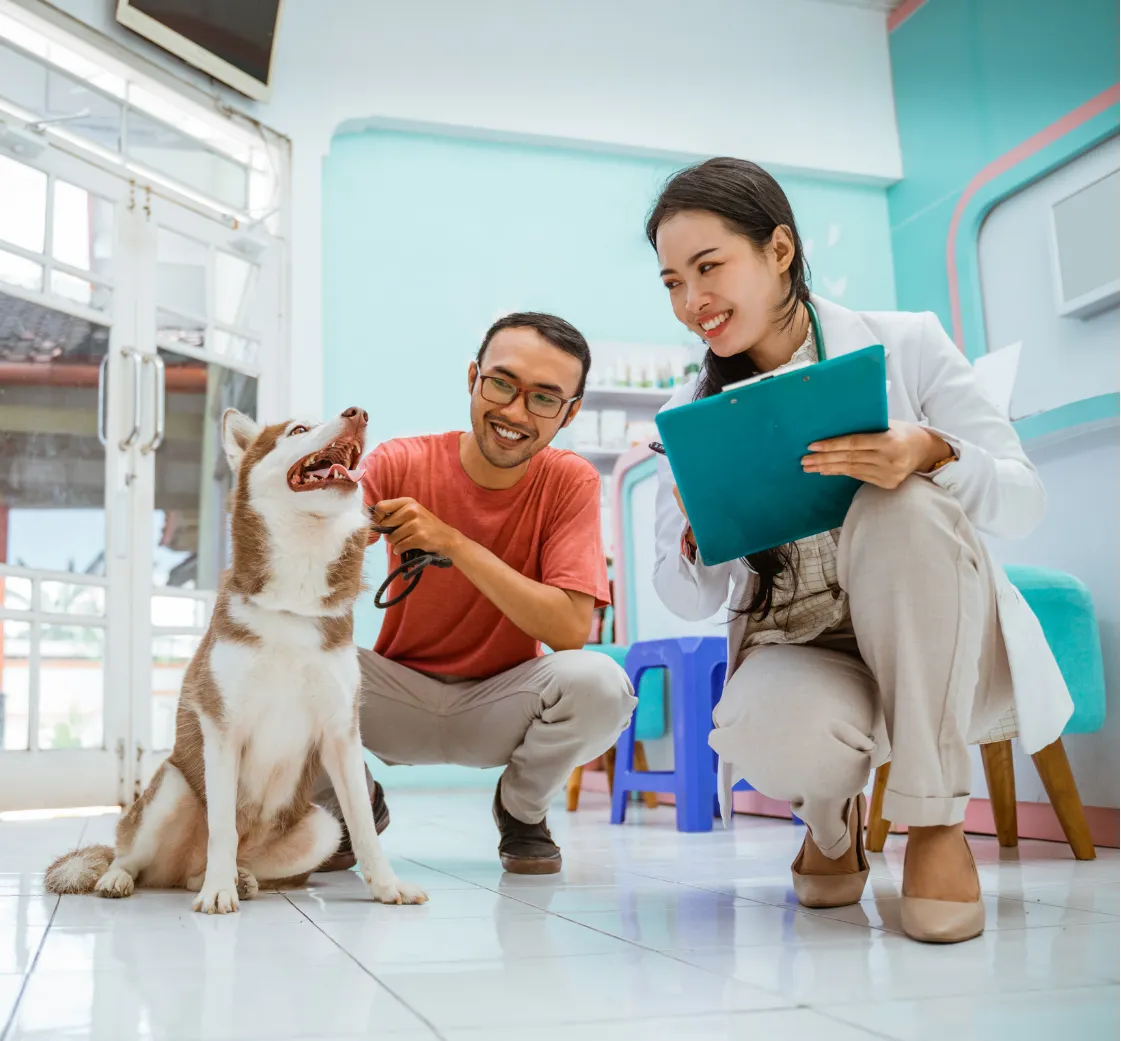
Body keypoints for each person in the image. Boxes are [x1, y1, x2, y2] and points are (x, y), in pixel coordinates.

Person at [647, 158, 1073, 943]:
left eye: (708, 267)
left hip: (934, 636)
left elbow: (1021, 497)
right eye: (672, 281)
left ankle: (933, 820)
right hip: (803, 646)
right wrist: (694, 535)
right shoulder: (688, 413)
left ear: (779, 250)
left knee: (902, 504)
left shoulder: (906, 342)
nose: (690, 301)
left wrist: (931, 450)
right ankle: (829, 820)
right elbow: (687, 597)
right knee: (760, 726)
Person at [315, 312, 636, 875]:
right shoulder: (401, 461)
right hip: (394, 700)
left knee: (602, 684)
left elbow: (566, 632)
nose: (514, 412)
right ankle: (353, 801)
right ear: (473, 377)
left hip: (502, 706)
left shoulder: (570, 481)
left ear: (570, 412)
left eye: (543, 398)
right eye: (502, 384)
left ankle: (521, 809)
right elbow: (312, 559)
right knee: (289, 663)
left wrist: (454, 544)